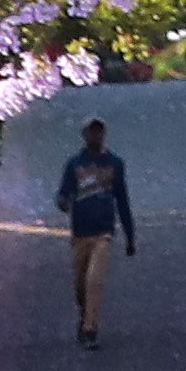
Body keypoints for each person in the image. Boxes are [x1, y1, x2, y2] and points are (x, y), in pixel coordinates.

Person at [52, 120, 134, 346]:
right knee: (79, 283)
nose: (95, 136)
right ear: (84, 134)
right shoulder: (74, 164)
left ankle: (91, 328)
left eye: (99, 132)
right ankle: (83, 315)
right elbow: (64, 192)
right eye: (91, 132)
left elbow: (123, 200)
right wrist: (63, 202)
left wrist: (130, 235)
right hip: (80, 232)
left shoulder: (114, 164)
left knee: (94, 280)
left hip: (103, 231)